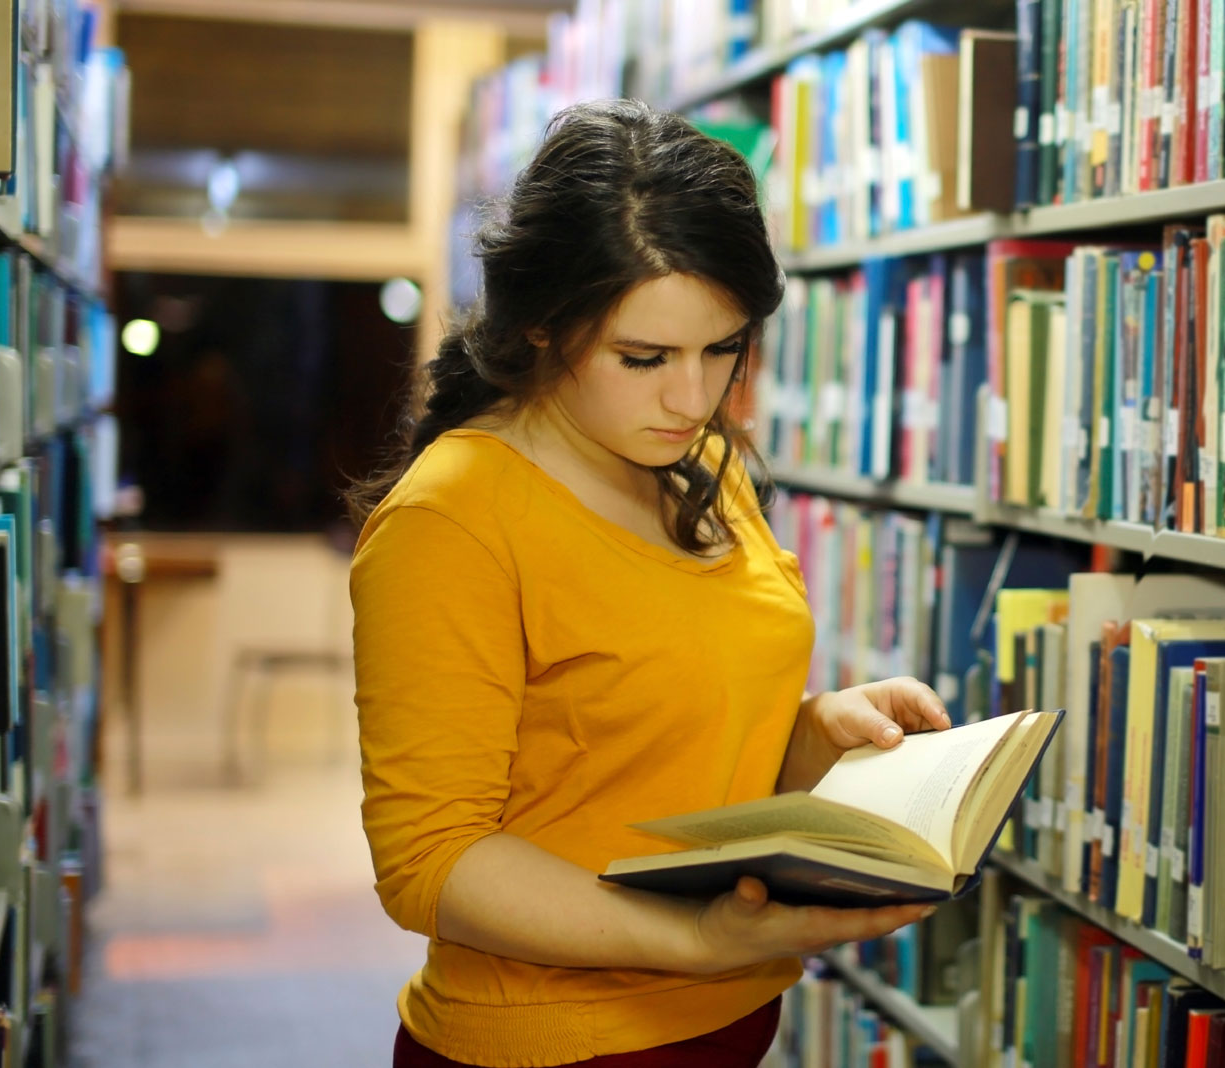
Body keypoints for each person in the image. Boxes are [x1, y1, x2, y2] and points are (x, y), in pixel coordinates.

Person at [346, 99, 949, 1068]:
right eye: (645, 358)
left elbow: (652, 750)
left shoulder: (700, 464)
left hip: (727, 1024)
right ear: (542, 326)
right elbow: (431, 861)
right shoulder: (453, 518)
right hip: (548, 1044)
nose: (692, 396)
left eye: (722, 349)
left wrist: (810, 735)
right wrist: (692, 940)